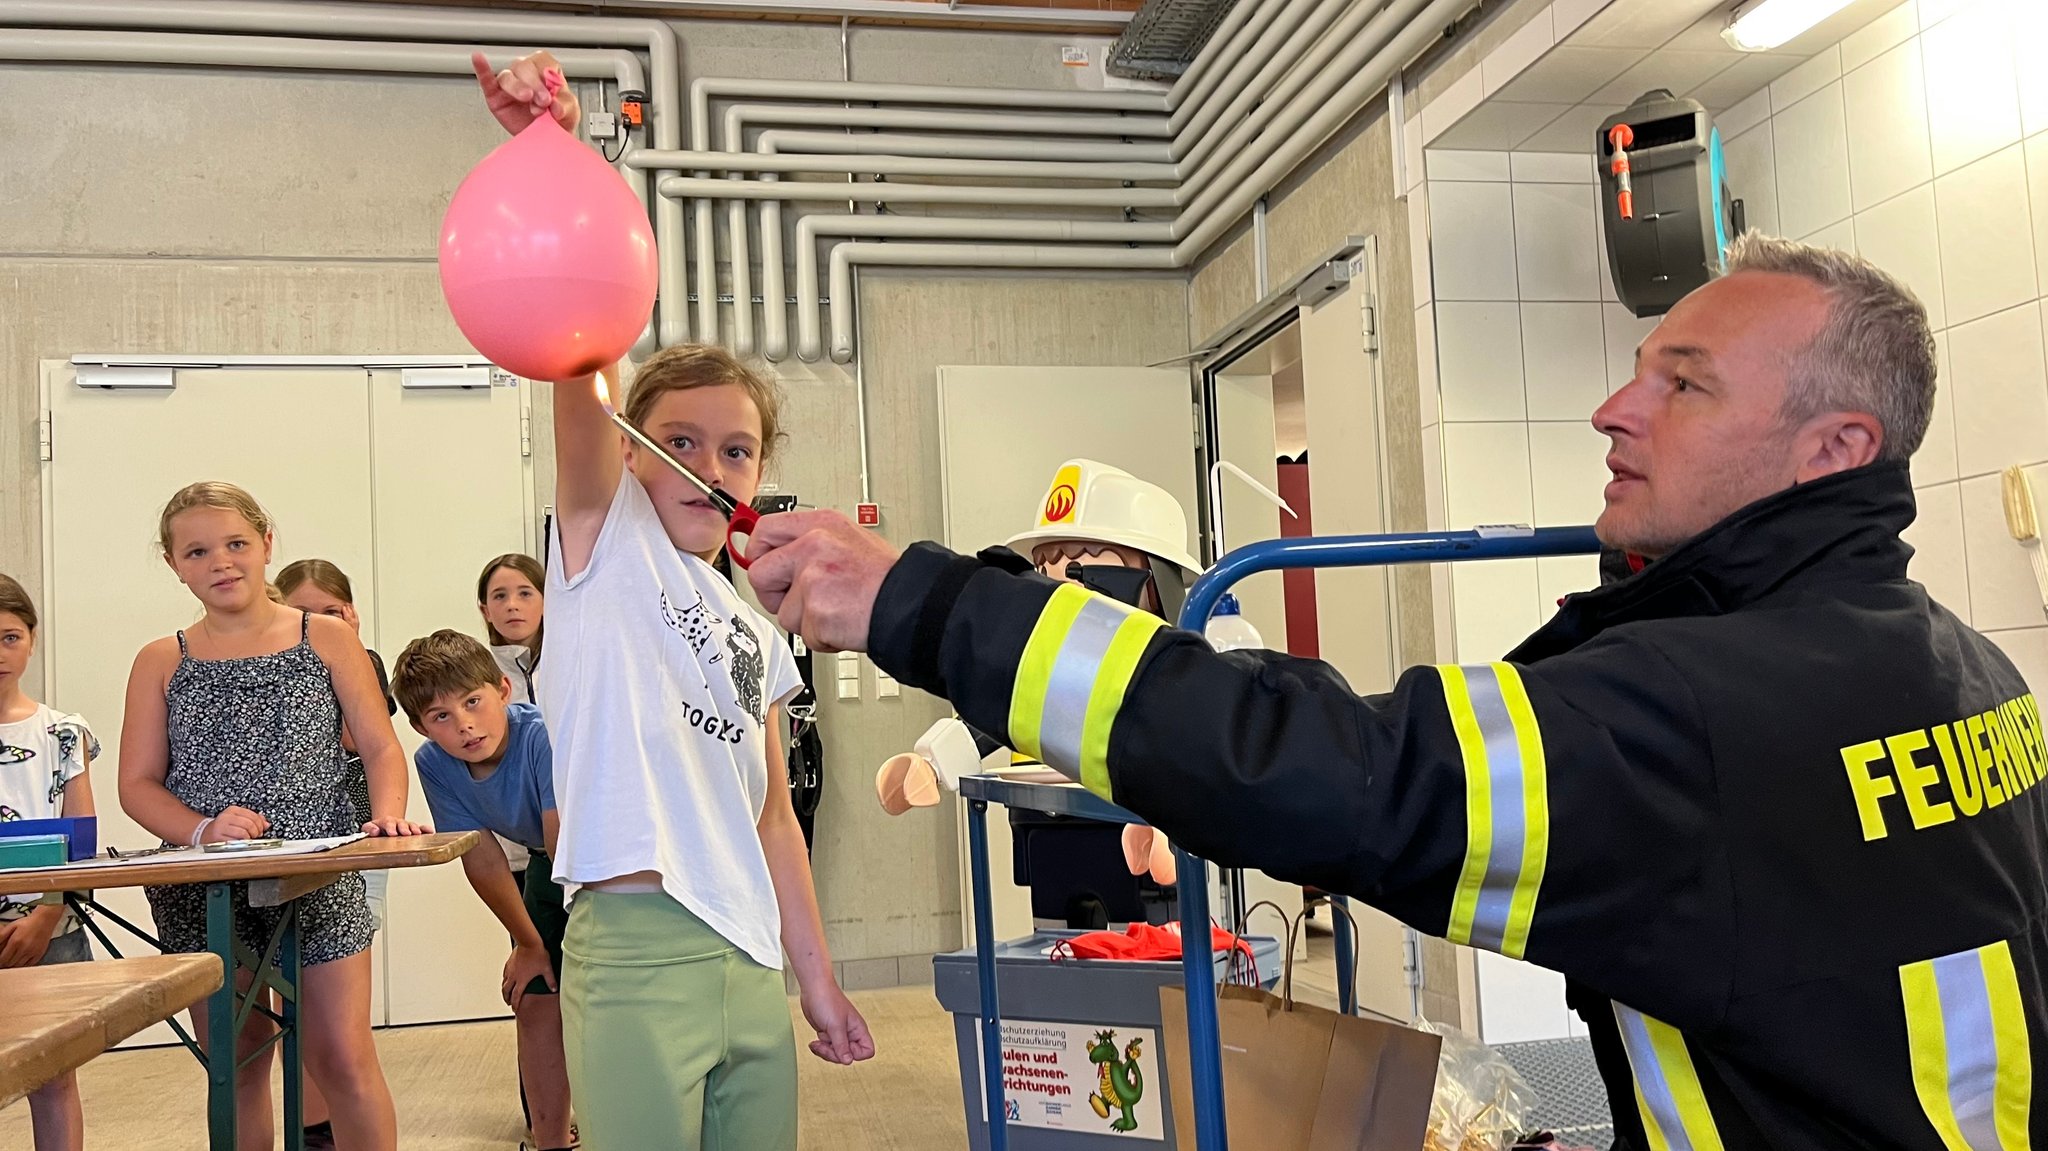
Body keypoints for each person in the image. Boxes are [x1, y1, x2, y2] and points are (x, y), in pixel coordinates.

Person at [747, 233, 2048, 1147]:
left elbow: (1319, 769)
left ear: (1834, 449)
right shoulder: (1957, 664)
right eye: (1640, 365)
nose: (1613, 405)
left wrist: (924, 601)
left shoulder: (1713, 709)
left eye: (1684, 383)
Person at [479, 47, 876, 1150]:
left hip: (747, 946)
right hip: (635, 941)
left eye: (737, 448)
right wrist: (552, 154)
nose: (713, 461)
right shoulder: (603, 550)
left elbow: (770, 816)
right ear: (636, 457)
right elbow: (578, 365)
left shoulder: (753, 622)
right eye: (681, 441)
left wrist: (817, 979)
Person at [118, 482, 429, 1151]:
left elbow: (379, 746)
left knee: (342, 1058)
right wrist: (203, 828)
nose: (220, 561)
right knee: (239, 1064)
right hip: (203, 894)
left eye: (235, 543)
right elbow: (137, 786)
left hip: (319, 880)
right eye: (197, 550)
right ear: (175, 564)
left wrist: (389, 817)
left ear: (265, 543)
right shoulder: (159, 660)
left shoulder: (329, 638)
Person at [391, 629, 573, 1151]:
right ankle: (551, 1140)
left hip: (595, 864)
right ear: (420, 727)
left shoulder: (541, 733)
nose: (465, 725)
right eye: (441, 717)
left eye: (473, 702)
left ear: (503, 690)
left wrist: (573, 940)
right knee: (535, 998)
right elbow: (482, 856)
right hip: (545, 863)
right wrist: (529, 943)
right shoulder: (434, 763)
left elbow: (563, 837)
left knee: (595, 994)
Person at [272, 558, 399, 1151]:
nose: (317, 624)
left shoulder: (360, 663)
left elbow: (356, 738)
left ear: (350, 613)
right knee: (286, 1007)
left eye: (330, 612)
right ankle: (311, 1125)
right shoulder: (275, 666)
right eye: (302, 615)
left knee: (338, 1014)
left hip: (352, 849)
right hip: (290, 853)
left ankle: (333, 1118)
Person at [0, 574, 98, 1151]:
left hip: (49, 924)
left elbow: (80, 840)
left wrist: (47, 909)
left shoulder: (63, 732)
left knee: (53, 1073)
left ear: (32, 639)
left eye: (10, 637)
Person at [478, 553, 544, 706]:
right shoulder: (476, 674)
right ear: (486, 611)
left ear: (546, 603)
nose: (512, 605)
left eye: (525, 593)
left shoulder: (575, 662)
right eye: (500, 596)